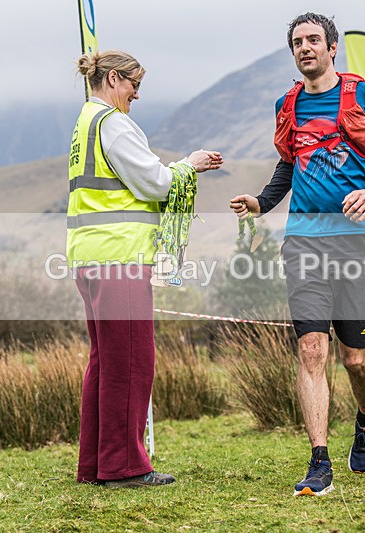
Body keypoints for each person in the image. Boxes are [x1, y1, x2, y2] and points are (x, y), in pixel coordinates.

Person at [229, 13, 365, 497]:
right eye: (296, 42)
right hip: (305, 241)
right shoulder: (286, 104)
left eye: (313, 40)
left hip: (357, 242)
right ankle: (318, 462)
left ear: (332, 47)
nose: (304, 48)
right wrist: (261, 203)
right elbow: (288, 167)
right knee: (311, 350)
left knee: (355, 359)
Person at [70, 49, 223, 488]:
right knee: (133, 362)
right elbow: (154, 182)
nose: (136, 95)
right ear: (114, 79)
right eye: (134, 85)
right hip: (120, 258)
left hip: (89, 256)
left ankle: (96, 465)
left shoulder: (85, 123)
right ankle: (124, 468)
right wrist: (189, 165)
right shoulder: (113, 123)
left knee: (104, 362)